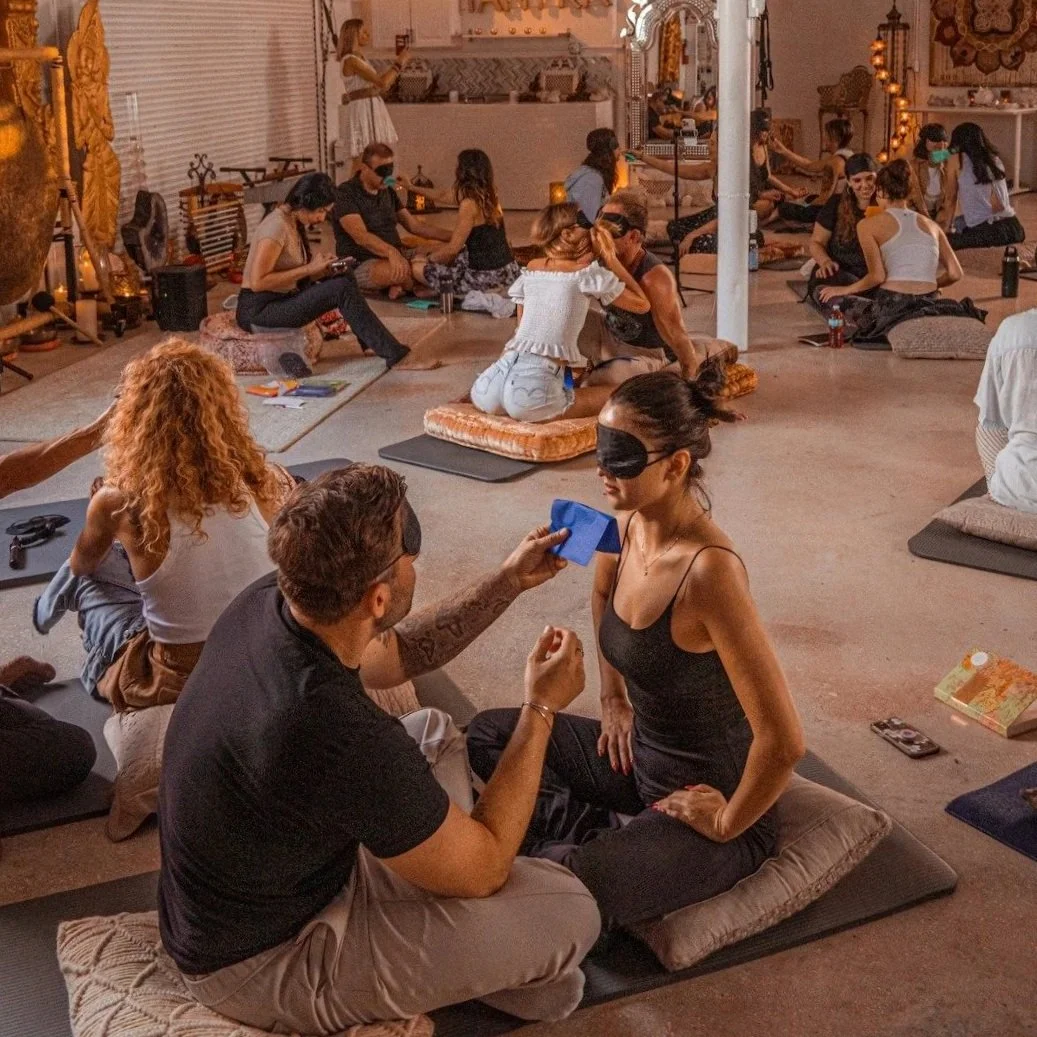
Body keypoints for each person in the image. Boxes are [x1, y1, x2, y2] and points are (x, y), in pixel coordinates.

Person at [158, 465, 601, 1031]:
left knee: (433, 731)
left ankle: (455, 949)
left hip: (290, 872)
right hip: (260, 962)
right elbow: (487, 869)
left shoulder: (272, 599)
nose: (417, 560)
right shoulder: (339, 733)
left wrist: (508, 581)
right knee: (571, 910)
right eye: (410, 552)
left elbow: (399, 655)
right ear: (378, 598)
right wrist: (540, 707)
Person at [468, 363, 805, 930]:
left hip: (708, 797)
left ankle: (595, 852)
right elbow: (602, 594)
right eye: (601, 446)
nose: (601, 468)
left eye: (621, 456)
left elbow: (785, 741)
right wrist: (612, 698)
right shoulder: (622, 529)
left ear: (676, 465)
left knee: (566, 893)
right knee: (488, 735)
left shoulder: (709, 572)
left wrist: (725, 821)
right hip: (638, 756)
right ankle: (598, 837)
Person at [68, 340, 297, 712]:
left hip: (182, 678)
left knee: (87, 579)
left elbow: (81, 564)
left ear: (135, 418)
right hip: (264, 657)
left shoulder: (117, 501)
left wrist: (104, 517)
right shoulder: (269, 481)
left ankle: (99, 668)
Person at [471, 203, 650, 423]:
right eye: (585, 223)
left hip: (491, 384)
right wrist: (611, 260)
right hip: (531, 393)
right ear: (567, 233)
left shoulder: (534, 266)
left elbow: (521, 329)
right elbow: (642, 304)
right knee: (626, 390)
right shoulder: (587, 275)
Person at [237, 171, 409, 368]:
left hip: (281, 297)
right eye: (321, 211)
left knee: (343, 273)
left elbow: (293, 277)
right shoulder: (276, 227)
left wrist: (322, 270)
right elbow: (258, 283)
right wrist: (309, 269)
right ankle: (394, 354)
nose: (322, 217)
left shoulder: (293, 221)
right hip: (259, 311)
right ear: (304, 204)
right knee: (340, 289)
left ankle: (370, 343)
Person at [817, 159, 975, 345]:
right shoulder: (932, 225)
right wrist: (931, 284)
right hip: (930, 301)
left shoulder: (867, 225)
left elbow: (877, 276)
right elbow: (956, 274)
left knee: (825, 294)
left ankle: (892, 326)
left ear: (881, 191)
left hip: (893, 305)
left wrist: (844, 290)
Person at [578, 190, 706, 384]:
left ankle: (603, 372)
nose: (601, 237)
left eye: (610, 231)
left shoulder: (655, 278)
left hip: (648, 354)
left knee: (605, 378)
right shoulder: (600, 260)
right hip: (610, 335)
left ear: (634, 236)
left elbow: (676, 334)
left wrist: (691, 382)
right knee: (558, 315)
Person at [333, 143, 452, 299]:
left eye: (390, 170)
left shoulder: (387, 191)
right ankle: (413, 282)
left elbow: (415, 226)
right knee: (402, 272)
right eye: (382, 172)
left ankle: (409, 284)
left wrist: (457, 237)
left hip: (398, 254)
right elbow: (360, 235)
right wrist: (390, 252)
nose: (387, 177)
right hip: (363, 261)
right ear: (364, 168)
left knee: (449, 252)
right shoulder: (346, 194)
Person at [410, 149, 520, 298]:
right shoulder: (490, 194)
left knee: (417, 268)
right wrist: (410, 187)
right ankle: (439, 289)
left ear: (463, 172)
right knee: (455, 256)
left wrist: (427, 260)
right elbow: (442, 195)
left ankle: (451, 291)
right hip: (508, 271)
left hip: (486, 277)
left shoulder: (469, 204)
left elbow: (452, 249)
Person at [974, 308, 1037, 513]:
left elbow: (989, 420)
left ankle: (1000, 490)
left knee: (987, 427)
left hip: (1016, 489)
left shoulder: (1012, 329)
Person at [806, 153, 878, 306]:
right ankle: (855, 304)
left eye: (869, 178)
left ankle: (855, 303)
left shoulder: (885, 205)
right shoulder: (835, 204)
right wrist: (825, 262)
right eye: (857, 180)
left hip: (871, 276)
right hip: (839, 271)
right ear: (848, 181)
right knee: (824, 283)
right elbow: (816, 242)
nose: (864, 185)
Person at [337, 18, 410, 163]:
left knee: (377, 158)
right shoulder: (351, 60)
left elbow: (380, 85)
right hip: (361, 111)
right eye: (363, 32)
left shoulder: (361, 58)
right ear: (354, 35)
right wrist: (399, 63)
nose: (367, 35)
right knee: (362, 159)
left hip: (371, 107)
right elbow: (382, 83)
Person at [944, 122, 1025, 251]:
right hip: (1014, 229)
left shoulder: (956, 159)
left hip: (985, 233)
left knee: (943, 241)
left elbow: (951, 197)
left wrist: (946, 229)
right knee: (960, 221)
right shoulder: (994, 158)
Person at [633, 137, 720, 257]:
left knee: (699, 243)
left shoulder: (735, 174)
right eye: (708, 142)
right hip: (713, 215)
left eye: (712, 143)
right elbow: (673, 168)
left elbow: (726, 218)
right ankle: (685, 257)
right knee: (674, 227)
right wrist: (642, 156)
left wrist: (691, 236)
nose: (708, 146)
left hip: (725, 223)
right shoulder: (711, 168)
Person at [770, 118, 856, 225]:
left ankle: (765, 222)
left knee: (784, 207)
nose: (824, 138)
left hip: (835, 213)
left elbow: (824, 199)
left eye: (826, 134)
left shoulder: (834, 163)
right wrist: (784, 151)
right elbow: (809, 165)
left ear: (834, 138)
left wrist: (802, 205)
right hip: (844, 206)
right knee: (810, 198)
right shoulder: (849, 155)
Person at [750, 109, 807, 227]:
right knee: (767, 205)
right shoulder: (744, 149)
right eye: (763, 130)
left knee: (784, 198)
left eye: (767, 130)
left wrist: (791, 190)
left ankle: (773, 214)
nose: (766, 134)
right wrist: (761, 195)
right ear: (754, 129)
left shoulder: (763, 146)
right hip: (750, 195)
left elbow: (768, 176)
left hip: (762, 190)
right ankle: (764, 221)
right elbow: (738, 185)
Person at [565, 128, 624, 229]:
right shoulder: (591, 178)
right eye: (616, 146)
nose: (620, 149)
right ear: (607, 150)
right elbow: (589, 220)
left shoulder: (595, 175)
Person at [910, 123, 954, 221]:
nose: (940, 144)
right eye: (935, 140)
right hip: (916, 217)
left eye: (943, 141)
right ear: (924, 143)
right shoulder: (913, 166)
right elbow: (912, 198)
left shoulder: (948, 166)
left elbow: (950, 200)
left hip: (940, 219)